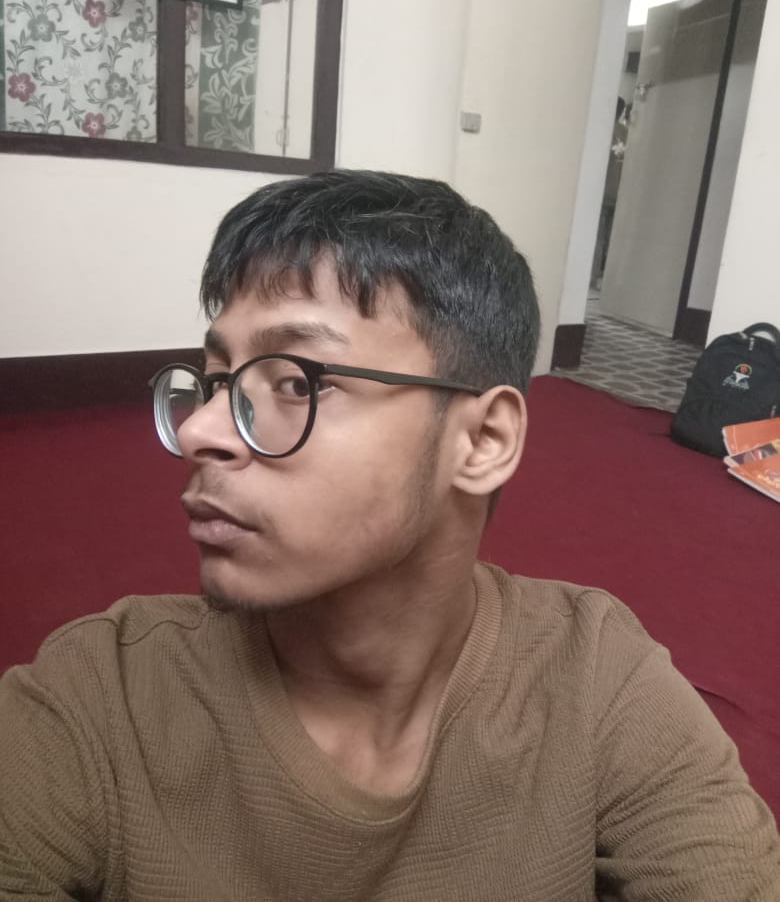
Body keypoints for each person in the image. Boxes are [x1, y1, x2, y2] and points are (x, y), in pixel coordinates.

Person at [1, 170, 778, 900]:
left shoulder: (597, 681)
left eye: (296, 381)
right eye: (215, 382)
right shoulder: (97, 699)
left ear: (483, 441)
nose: (202, 429)